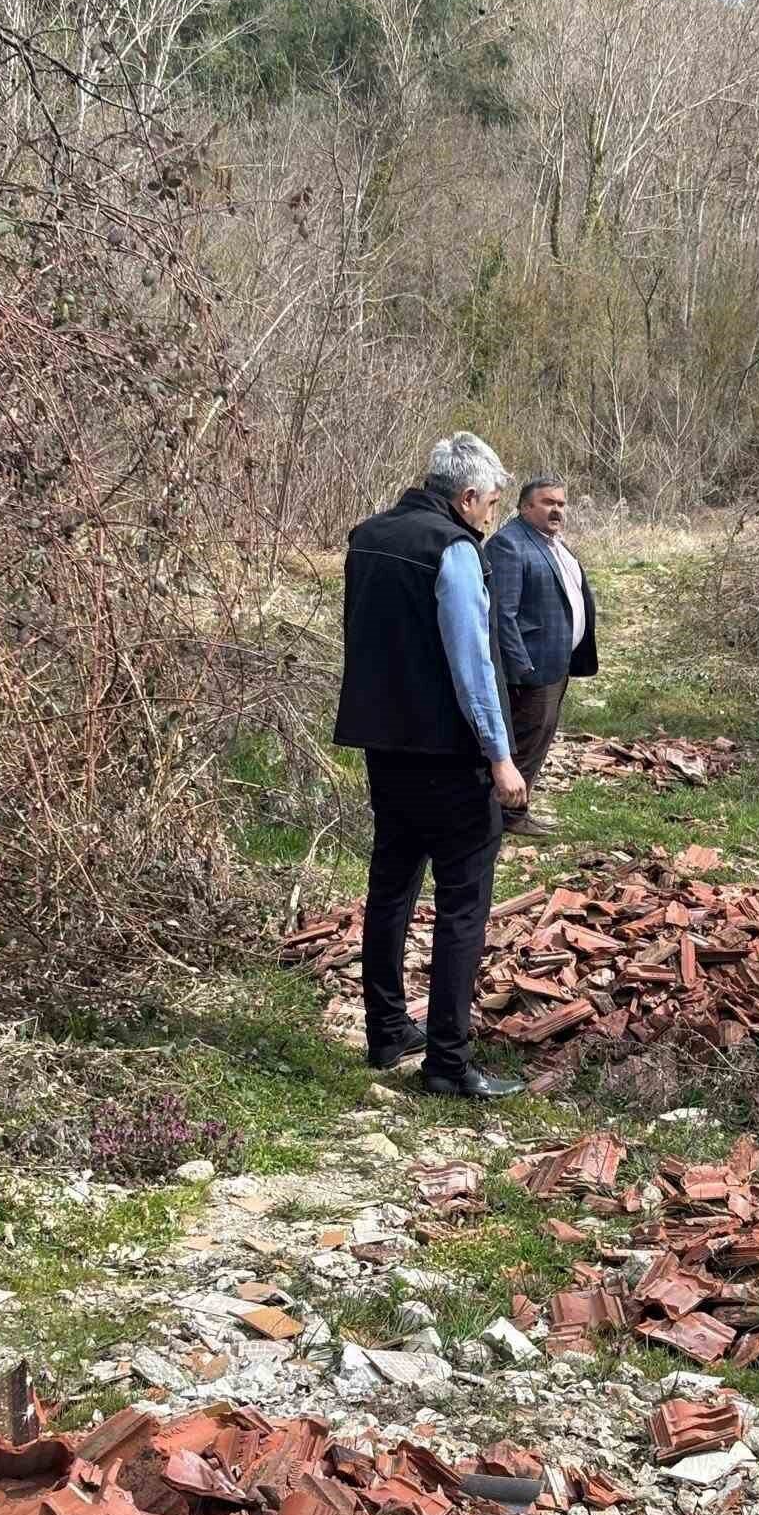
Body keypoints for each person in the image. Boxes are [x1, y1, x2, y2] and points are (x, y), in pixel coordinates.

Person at [333, 433, 528, 1100]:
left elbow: (361, 635)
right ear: (466, 497)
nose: (491, 517)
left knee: (390, 888)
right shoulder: (452, 550)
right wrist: (501, 759)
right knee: (463, 906)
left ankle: (387, 1029)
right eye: (491, 504)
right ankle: (446, 1061)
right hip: (450, 759)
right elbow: (472, 664)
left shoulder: (368, 536)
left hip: (385, 748)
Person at [485, 477, 599, 837]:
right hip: (532, 669)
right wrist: (522, 669)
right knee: (522, 744)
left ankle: (515, 815)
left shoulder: (552, 544)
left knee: (538, 740)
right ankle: (495, 820)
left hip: (555, 664)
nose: (557, 510)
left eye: (562, 504)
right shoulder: (509, 544)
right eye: (548, 502)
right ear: (524, 507)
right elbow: (502, 616)